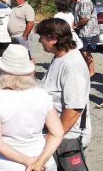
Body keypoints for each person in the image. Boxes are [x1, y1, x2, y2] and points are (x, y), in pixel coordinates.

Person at [0, 44, 63, 171]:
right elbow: (57, 133)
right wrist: (39, 162)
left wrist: (29, 162)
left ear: (3, 70)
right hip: (42, 162)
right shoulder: (42, 95)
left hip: (6, 164)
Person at [36, 18, 92, 151]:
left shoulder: (73, 66)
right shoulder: (59, 57)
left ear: (54, 38)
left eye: (42, 37)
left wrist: (52, 137)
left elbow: (74, 109)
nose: (39, 41)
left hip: (68, 138)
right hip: (56, 132)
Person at [69, 0, 99, 77]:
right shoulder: (78, 2)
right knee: (83, 51)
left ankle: (91, 72)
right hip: (83, 31)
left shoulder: (85, 2)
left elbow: (85, 18)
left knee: (86, 52)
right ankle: (88, 71)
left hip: (88, 31)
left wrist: (75, 26)